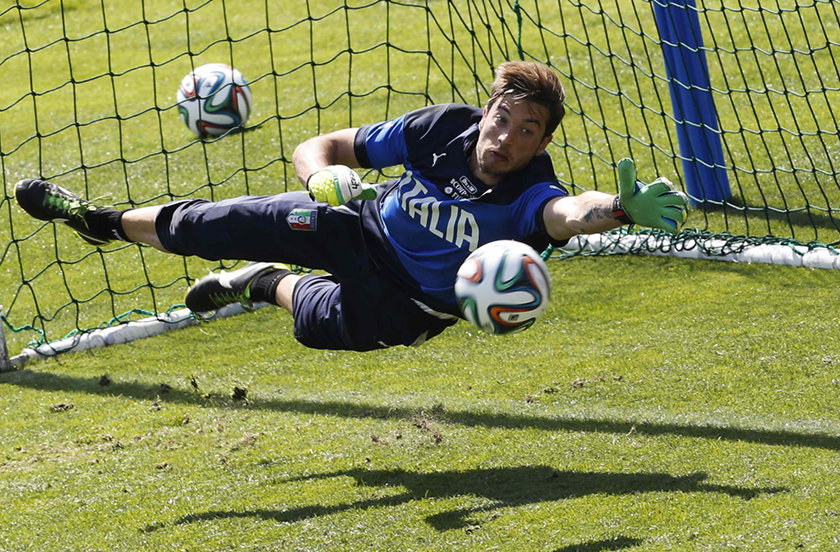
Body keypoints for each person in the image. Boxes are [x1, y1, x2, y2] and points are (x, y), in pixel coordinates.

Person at [14, 61, 688, 352]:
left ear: (543, 141)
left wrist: (620, 209)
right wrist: (322, 179)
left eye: (528, 131)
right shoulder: (437, 129)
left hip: (407, 306)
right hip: (355, 223)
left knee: (314, 325)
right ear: (485, 112)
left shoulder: (528, 192)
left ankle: (264, 284)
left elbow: (569, 214)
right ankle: (99, 222)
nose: (507, 139)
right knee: (224, 222)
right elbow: (324, 144)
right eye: (502, 121)